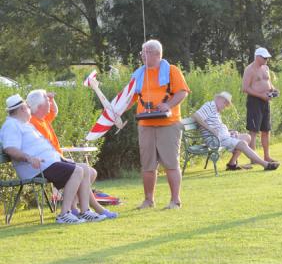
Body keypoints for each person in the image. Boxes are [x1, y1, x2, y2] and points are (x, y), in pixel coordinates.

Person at [0, 94, 106, 223]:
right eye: (28, 107)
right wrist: (29, 158)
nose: (29, 110)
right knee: (77, 171)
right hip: (35, 167)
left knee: (84, 168)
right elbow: (9, 149)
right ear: (22, 109)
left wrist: (62, 159)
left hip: (48, 163)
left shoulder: (23, 124)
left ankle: (85, 211)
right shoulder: (12, 125)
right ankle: (64, 214)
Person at [26, 89, 117, 219]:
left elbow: (54, 111)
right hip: (50, 163)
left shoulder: (42, 118)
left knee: (91, 172)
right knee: (83, 171)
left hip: (57, 160)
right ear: (39, 107)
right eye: (47, 102)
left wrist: (51, 99)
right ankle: (93, 209)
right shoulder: (32, 122)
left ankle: (75, 208)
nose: (50, 105)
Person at [128, 39, 190, 210]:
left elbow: (182, 92)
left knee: (171, 163)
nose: (142, 55)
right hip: (145, 124)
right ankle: (148, 200)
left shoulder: (172, 71)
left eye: (146, 52)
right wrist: (115, 112)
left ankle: (175, 201)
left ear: (157, 54)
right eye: (142, 52)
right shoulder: (138, 74)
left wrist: (168, 105)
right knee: (147, 165)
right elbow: (130, 97)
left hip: (168, 123)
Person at [192, 92, 279, 171]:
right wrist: (210, 129)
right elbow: (196, 116)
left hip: (223, 137)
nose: (225, 106)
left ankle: (231, 164)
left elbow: (218, 126)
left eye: (227, 104)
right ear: (218, 99)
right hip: (215, 139)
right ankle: (265, 164)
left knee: (246, 137)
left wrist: (230, 132)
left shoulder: (215, 110)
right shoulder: (209, 106)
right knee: (242, 144)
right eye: (225, 103)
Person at [242, 47, 279, 164]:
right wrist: (261, 95)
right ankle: (253, 159)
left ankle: (266, 156)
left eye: (267, 57)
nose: (266, 59)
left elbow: (268, 82)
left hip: (265, 102)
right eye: (264, 57)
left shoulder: (266, 68)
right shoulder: (249, 70)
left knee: (266, 130)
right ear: (257, 57)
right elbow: (245, 88)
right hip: (254, 102)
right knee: (253, 131)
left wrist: (273, 90)